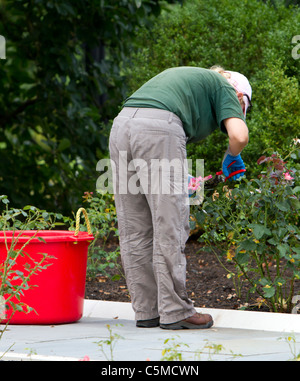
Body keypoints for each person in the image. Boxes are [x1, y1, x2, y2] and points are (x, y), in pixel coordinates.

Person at [109, 66, 251, 329]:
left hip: (121, 127)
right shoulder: (227, 88)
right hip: (158, 130)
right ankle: (175, 311)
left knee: (135, 227)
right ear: (240, 97)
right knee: (170, 225)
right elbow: (239, 135)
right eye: (243, 110)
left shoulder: (193, 84)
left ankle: (147, 311)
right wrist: (232, 156)